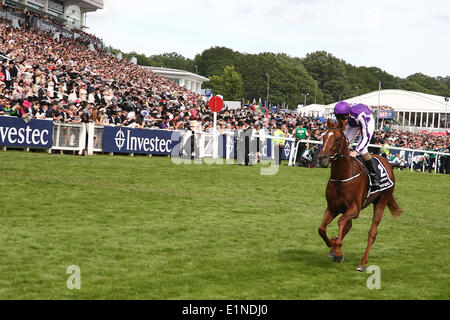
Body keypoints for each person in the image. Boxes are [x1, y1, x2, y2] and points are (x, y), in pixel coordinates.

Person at [334, 102, 381, 189]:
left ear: (348, 114)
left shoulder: (361, 116)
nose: (342, 120)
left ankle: (374, 177)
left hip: (366, 121)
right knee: (343, 143)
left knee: (362, 150)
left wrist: (356, 151)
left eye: (343, 118)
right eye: (338, 118)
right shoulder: (344, 117)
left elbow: (365, 137)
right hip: (352, 123)